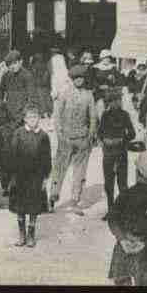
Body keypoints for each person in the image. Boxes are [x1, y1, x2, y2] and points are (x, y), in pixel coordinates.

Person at [107, 153, 147, 286]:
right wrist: (144, 242)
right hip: (145, 253)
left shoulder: (125, 196)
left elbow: (113, 220)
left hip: (122, 251)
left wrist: (122, 238)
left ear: (137, 172)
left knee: (122, 281)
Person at [49, 64, 97, 215]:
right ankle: (52, 199)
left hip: (82, 138)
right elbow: (57, 116)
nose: (79, 81)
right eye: (76, 78)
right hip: (66, 138)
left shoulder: (89, 95)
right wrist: (60, 134)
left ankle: (75, 201)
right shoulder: (64, 94)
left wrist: (90, 135)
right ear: (71, 79)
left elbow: (93, 117)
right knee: (59, 169)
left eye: (81, 78)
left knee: (80, 172)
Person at [7, 104, 52, 248]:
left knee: (33, 207)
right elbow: (12, 155)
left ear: (39, 119)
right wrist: (12, 176)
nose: (33, 120)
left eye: (35, 117)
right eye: (30, 117)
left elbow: (47, 158)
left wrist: (45, 177)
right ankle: (21, 235)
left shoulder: (43, 136)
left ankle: (31, 234)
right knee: (20, 207)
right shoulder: (18, 134)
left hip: (36, 177)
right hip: (20, 177)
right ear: (25, 119)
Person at [0, 50, 36, 193]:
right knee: (6, 151)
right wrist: (1, 113)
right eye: (9, 65)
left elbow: (31, 100)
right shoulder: (6, 76)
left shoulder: (27, 76)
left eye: (14, 63)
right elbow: (1, 96)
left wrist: (22, 118)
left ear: (21, 61)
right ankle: (6, 183)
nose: (12, 67)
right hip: (8, 119)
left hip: (22, 120)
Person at [98, 88, 136, 221]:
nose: (116, 103)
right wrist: (105, 140)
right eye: (113, 101)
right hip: (108, 153)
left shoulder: (125, 115)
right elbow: (100, 133)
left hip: (121, 152)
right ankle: (111, 210)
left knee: (122, 183)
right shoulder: (105, 116)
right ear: (109, 102)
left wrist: (122, 139)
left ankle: (123, 211)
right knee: (108, 184)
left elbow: (132, 133)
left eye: (118, 100)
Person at [29, 51, 53, 117]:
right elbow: (47, 77)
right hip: (45, 87)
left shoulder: (33, 66)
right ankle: (48, 113)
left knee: (41, 102)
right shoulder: (45, 66)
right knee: (47, 101)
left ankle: (43, 114)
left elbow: (32, 76)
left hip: (38, 87)